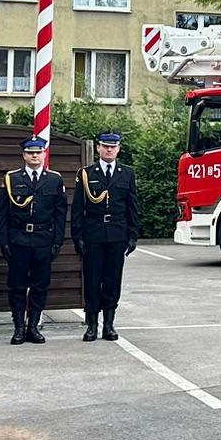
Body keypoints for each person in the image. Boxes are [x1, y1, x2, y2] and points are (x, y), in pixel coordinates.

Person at [0, 137, 67, 345]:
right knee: (17, 286)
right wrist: (3, 241)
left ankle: (33, 327)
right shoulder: (12, 178)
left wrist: (57, 241)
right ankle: (19, 328)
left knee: (40, 285)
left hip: (43, 240)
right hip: (18, 239)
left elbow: (60, 214)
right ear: (24, 155)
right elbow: (3, 214)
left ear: (44, 154)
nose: (34, 156)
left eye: (38, 152)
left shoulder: (54, 179)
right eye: (30, 152)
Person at [70, 131, 139, 343]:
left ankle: (109, 324)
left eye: (113, 147)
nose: (109, 150)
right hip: (93, 234)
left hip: (117, 234)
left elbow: (132, 206)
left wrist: (133, 235)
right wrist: (77, 236)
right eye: (105, 146)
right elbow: (78, 208)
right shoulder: (86, 174)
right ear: (98, 148)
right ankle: (92, 325)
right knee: (92, 281)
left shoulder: (127, 173)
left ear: (118, 149)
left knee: (112, 280)